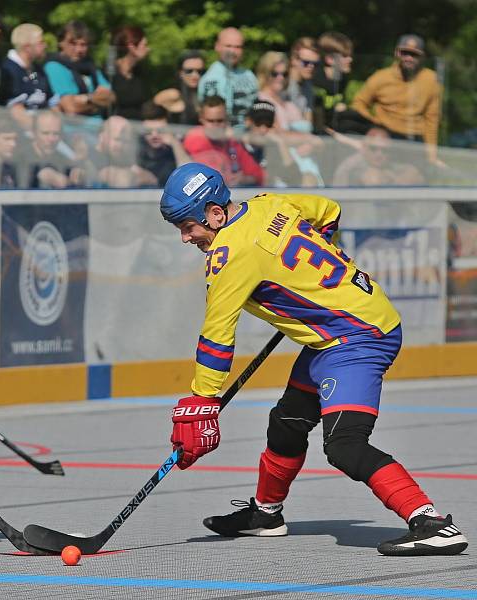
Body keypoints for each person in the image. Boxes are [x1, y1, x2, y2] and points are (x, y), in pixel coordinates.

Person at [159, 162, 469, 556]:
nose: (186, 237)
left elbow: (217, 335)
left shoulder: (228, 253)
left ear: (216, 214)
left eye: (188, 226)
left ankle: (432, 523)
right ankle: (266, 515)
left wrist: (203, 400)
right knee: (287, 421)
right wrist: (296, 278)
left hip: (358, 337)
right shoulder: (269, 203)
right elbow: (328, 210)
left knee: (344, 444)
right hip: (343, 332)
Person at [351, 34, 443, 166]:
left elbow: (432, 119)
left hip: (414, 139)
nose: (409, 58)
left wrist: (431, 154)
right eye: (404, 53)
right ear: (396, 53)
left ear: (423, 56)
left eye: (414, 54)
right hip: (385, 139)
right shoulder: (381, 77)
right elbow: (358, 103)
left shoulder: (431, 80)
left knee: (411, 179)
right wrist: (374, 123)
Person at [183, 95, 264, 186]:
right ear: (201, 119)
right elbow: (212, 178)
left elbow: (259, 174)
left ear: (226, 119)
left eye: (220, 121)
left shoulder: (231, 141)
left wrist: (244, 179)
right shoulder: (194, 137)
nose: (215, 126)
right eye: (211, 121)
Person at [0, 23, 58, 131]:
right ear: (27, 47)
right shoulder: (9, 70)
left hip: (47, 132)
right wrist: (37, 134)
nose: (45, 46)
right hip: (21, 135)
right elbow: (16, 110)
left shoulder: (36, 70)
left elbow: (51, 102)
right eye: (40, 42)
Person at [197, 27, 258, 131]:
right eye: (228, 46)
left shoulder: (249, 75)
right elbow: (214, 118)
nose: (233, 51)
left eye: (238, 47)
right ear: (217, 47)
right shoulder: (212, 79)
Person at [137, 101, 191, 186]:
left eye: (160, 131)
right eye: (148, 131)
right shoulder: (137, 148)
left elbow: (189, 175)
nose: (154, 135)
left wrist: (174, 143)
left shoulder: (177, 147)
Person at [153, 50, 205, 126]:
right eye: (189, 71)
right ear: (180, 73)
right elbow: (149, 114)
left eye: (200, 71)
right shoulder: (172, 94)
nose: (195, 75)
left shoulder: (205, 95)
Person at [110, 25, 150, 121]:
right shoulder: (110, 73)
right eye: (144, 45)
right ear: (132, 47)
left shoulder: (139, 72)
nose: (148, 49)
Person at [287, 37, 319, 122]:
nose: (311, 67)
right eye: (306, 63)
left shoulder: (308, 86)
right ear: (293, 60)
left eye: (315, 64)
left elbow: (308, 123)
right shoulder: (282, 85)